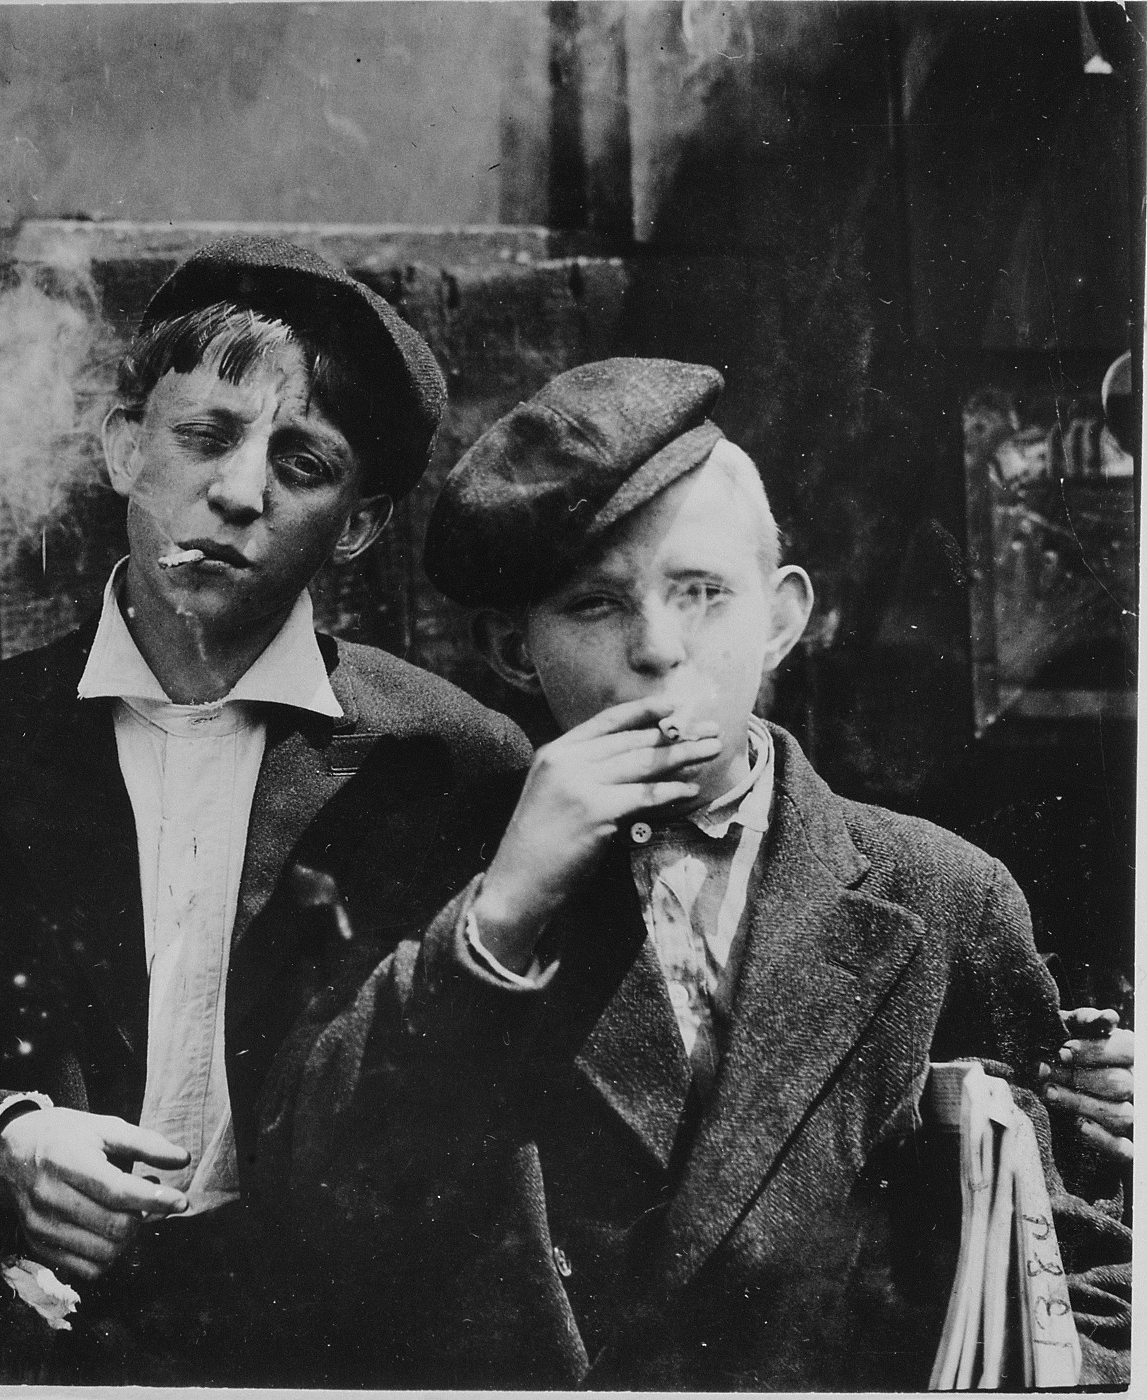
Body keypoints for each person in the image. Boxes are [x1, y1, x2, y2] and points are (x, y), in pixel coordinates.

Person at [254, 358, 1132, 1388]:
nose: (658, 649)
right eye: (594, 604)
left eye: (703, 592)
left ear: (783, 618)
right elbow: (313, 1204)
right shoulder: (434, 875)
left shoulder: (939, 894)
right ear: (513, 650)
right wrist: (501, 915)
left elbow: (1074, 1281)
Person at [0, 236, 531, 1383]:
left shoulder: (451, 770)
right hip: (32, 1356)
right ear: (123, 447)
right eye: (206, 435)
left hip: (333, 1362)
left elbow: (479, 1130)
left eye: (303, 463)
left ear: (358, 524)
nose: (241, 490)